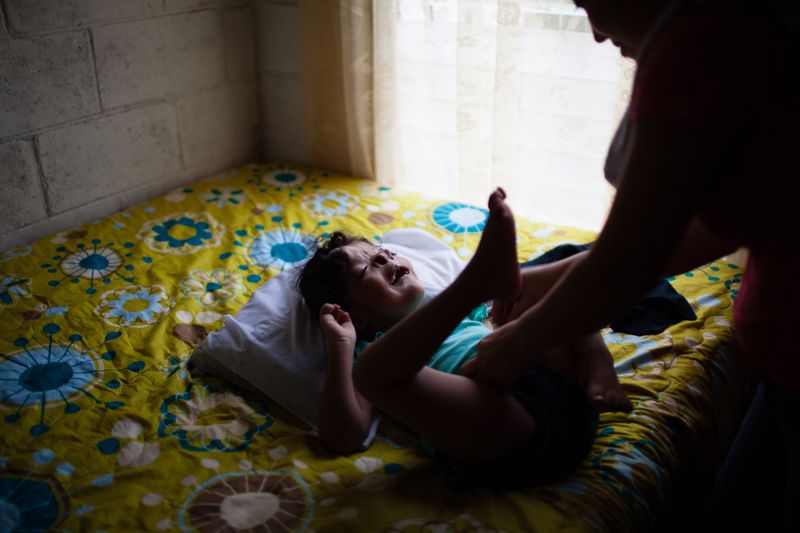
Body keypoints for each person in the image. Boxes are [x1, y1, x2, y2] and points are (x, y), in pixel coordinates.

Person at [462, 0, 799, 529]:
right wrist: (550, 282)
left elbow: (629, 259)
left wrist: (520, 340)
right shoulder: (745, 26)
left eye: (587, 3)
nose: (595, 33)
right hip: (789, 368)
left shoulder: (700, 40)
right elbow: (724, 217)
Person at [296, 189, 630, 488]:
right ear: (358, 317)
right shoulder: (369, 348)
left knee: (542, 282)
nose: (385, 258)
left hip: (567, 387)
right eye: (366, 270)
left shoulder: (461, 312)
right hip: (508, 431)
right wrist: (342, 347)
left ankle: (597, 358)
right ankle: (477, 279)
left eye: (383, 252)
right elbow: (344, 437)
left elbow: (556, 305)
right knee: (372, 373)